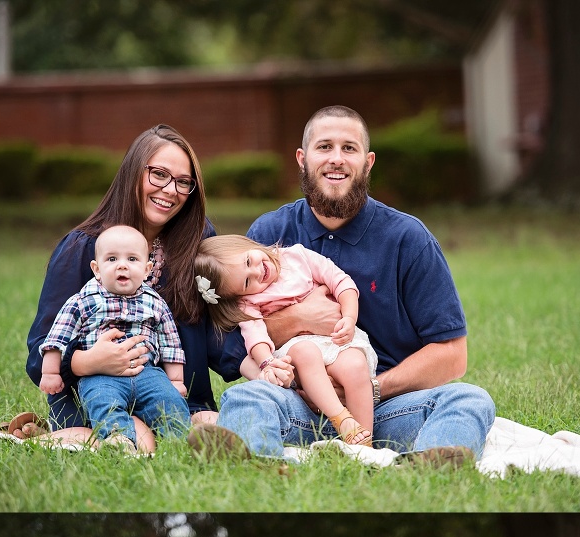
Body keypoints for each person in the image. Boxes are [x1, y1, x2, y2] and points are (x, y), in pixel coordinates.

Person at [210, 105, 495, 465]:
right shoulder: (269, 236)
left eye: (349, 148)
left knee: (470, 400)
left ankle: (424, 473)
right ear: (302, 158)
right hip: (299, 404)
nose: (336, 159)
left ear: (368, 161)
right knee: (245, 398)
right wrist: (301, 318)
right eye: (324, 147)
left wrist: (370, 388)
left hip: (387, 408)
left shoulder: (408, 238)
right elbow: (236, 340)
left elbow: (453, 355)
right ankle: (261, 469)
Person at [25, 123, 280, 453]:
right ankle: (34, 439)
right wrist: (89, 362)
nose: (171, 190)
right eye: (159, 174)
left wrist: (263, 368)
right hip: (96, 400)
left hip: (176, 400)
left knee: (224, 425)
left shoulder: (195, 240)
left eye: (184, 182)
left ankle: (188, 427)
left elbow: (213, 327)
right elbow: (40, 353)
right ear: (133, 172)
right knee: (139, 441)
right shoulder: (82, 250)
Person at [196, 234, 375, 446]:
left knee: (354, 366)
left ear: (246, 244)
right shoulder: (248, 302)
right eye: (246, 282)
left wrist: (349, 317)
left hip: (335, 339)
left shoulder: (297, 257)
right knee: (306, 352)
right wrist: (267, 362)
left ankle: (364, 443)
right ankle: (342, 418)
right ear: (239, 294)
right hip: (297, 349)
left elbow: (340, 281)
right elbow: (255, 337)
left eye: (247, 261)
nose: (257, 272)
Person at [39, 225, 190, 452]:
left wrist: (176, 381)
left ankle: (180, 441)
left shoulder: (155, 302)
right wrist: (50, 373)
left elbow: (170, 341)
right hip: (100, 375)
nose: (122, 265)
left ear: (147, 269)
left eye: (132, 259)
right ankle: (118, 439)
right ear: (97, 269)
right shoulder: (82, 301)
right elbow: (57, 337)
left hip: (146, 372)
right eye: (111, 259)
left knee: (168, 400)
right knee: (102, 402)